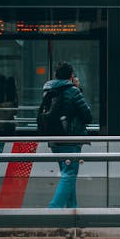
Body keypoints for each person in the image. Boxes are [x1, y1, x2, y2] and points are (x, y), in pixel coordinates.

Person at [39, 61, 92, 209]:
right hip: (71, 140)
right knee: (69, 175)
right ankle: (53, 210)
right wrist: (77, 88)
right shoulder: (73, 91)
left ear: (56, 76)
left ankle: (72, 211)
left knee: (68, 175)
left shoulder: (48, 90)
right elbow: (88, 116)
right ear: (71, 76)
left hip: (54, 140)